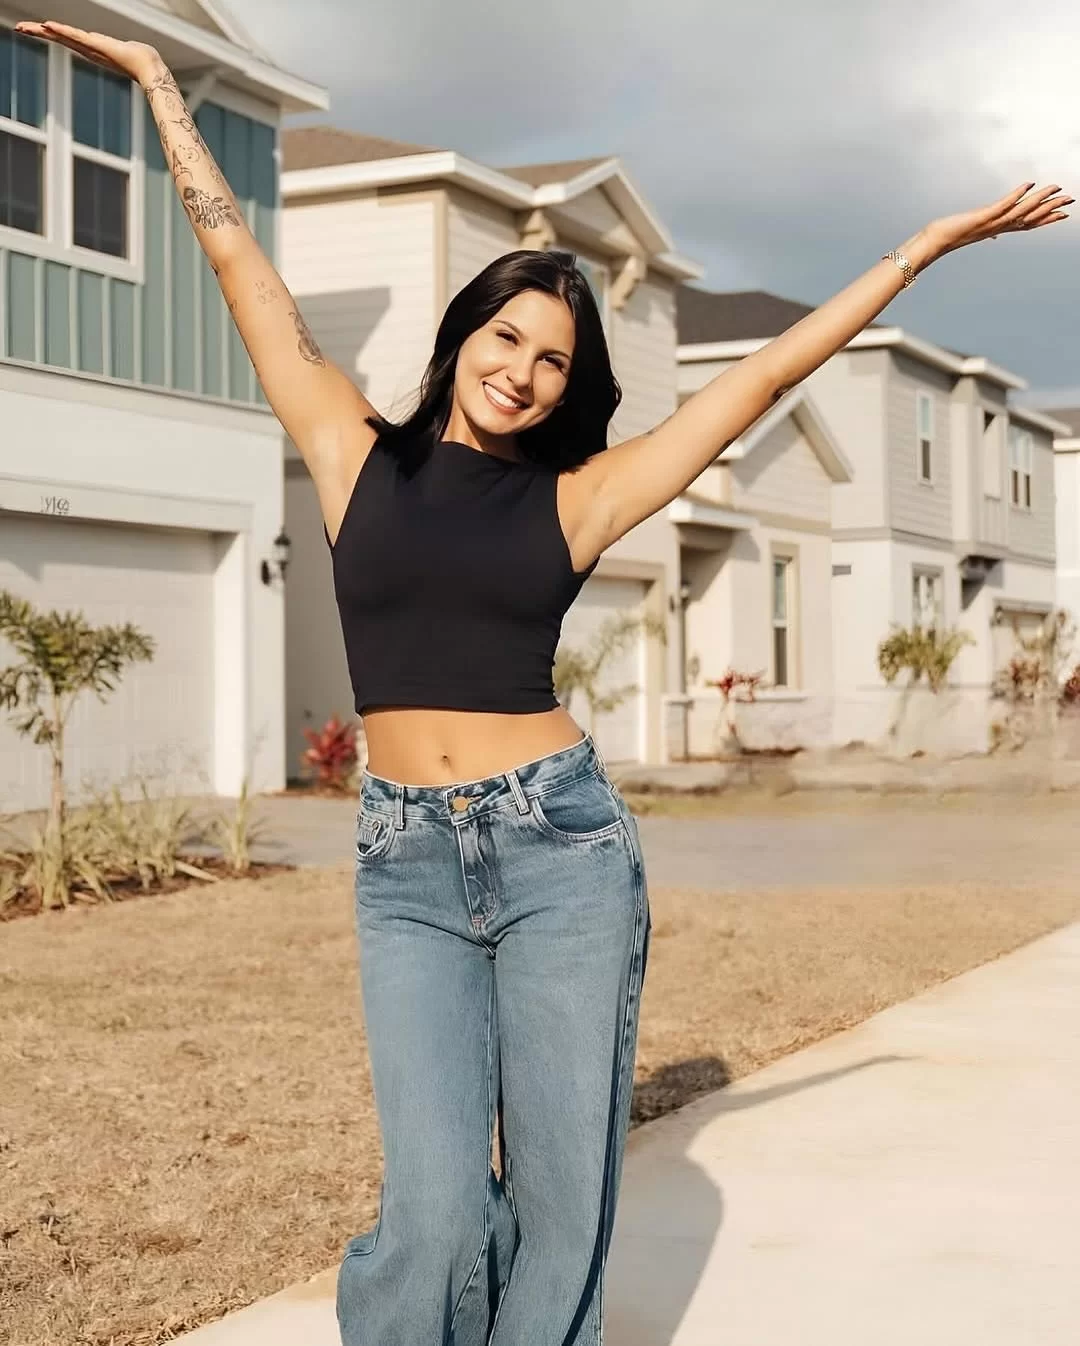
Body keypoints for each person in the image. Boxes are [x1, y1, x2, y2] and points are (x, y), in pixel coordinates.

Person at [18, 18, 1070, 1344]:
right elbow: (239, 264)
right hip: (404, 859)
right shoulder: (354, 456)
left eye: (552, 360)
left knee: (566, 1201)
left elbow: (754, 382)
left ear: (571, 386)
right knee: (440, 1212)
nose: (521, 371)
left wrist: (919, 251)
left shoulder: (578, 500)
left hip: (558, 847)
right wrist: (168, 91)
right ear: (464, 336)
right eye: (505, 338)